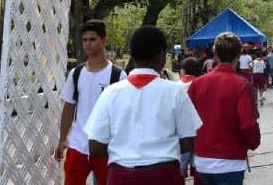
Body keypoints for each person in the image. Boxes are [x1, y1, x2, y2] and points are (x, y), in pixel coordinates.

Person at [84, 25, 202, 185]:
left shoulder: (110, 93)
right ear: (162, 57)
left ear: (132, 55)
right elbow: (189, 140)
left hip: (121, 176)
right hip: (164, 175)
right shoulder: (175, 92)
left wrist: (125, 146)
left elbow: (95, 146)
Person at [55, 20, 126, 185]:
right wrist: (62, 139)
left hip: (107, 148)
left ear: (103, 41)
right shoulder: (76, 73)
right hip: (78, 145)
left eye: (93, 39)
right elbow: (68, 107)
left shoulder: (118, 76)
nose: (88, 43)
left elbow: (125, 114)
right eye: (85, 40)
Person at [188, 32, 261, 185]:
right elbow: (248, 124)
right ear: (239, 54)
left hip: (201, 160)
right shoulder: (241, 85)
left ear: (215, 53)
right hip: (230, 161)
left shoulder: (197, 84)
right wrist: (254, 142)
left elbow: (187, 122)